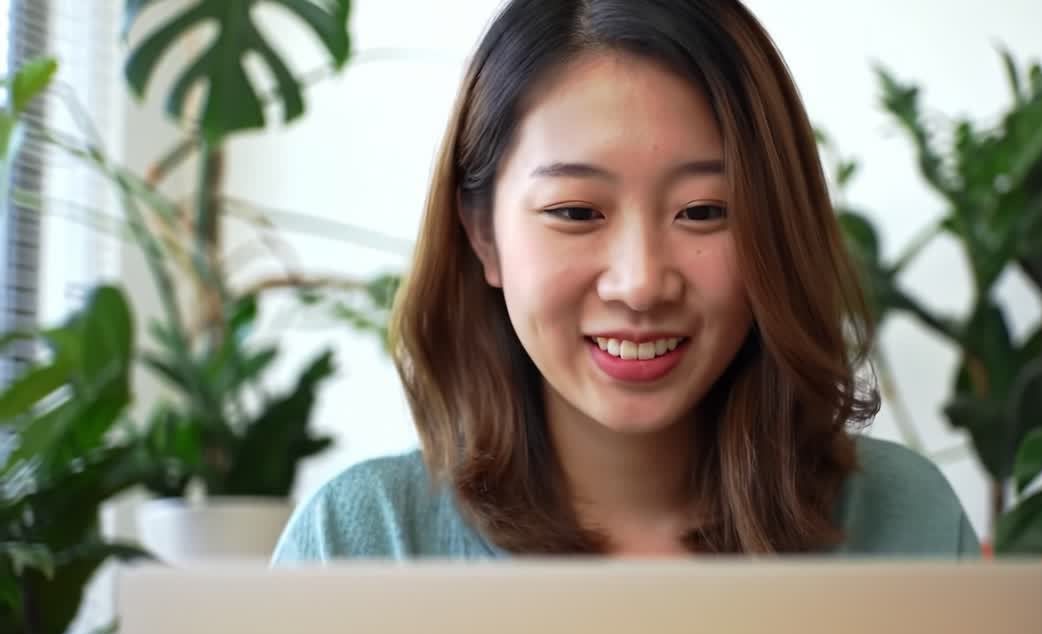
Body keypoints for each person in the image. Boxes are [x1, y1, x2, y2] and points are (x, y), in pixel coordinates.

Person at [272, 0, 979, 562]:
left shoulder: (903, 523)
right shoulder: (361, 545)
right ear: (483, 234)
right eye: (576, 212)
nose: (640, 284)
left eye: (704, 212)